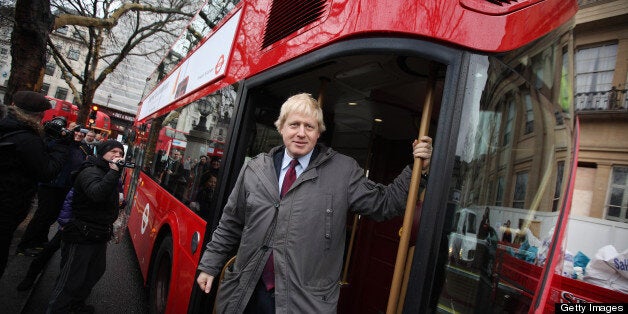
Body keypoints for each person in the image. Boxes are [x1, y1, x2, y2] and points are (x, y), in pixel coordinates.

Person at [196, 93, 433, 313]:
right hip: (247, 294)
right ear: (281, 128)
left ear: (318, 132)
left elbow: (385, 204)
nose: (301, 133)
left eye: (309, 126)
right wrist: (210, 265)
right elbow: (230, 223)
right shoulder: (255, 169)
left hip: (303, 305)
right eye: (294, 125)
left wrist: (417, 171)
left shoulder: (343, 171)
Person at [47, 139, 125, 313]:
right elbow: (96, 194)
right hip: (81, 233)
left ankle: (75, 305)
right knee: (71, 278)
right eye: (113, 151)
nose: (117, 156)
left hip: (99, 233)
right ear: (102, 152)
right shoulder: (91, 171)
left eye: (120, 153)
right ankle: (57, 309)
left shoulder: (109, 172)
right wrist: (113, 173)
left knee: (94, 271)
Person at [0, 91, 69, 279]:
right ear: (39, 115)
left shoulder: (8, 127)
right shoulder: (28, 139)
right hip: (7, 206)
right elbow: (47, 171)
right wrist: (62, 146)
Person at [16, 126, 91, 256]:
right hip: (50, 185)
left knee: (52, 215)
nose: (79, 134)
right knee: (43, 215)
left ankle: (40, 241)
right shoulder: (59, 142)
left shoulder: (82, 149)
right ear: (71, 131)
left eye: (82, 133)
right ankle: (25, 245)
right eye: (77, 131)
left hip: (65, 187)